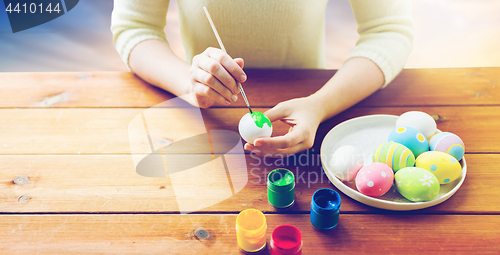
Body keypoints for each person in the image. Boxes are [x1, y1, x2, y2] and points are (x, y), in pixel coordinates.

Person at [111, 0, 413, 157]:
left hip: (312, 104)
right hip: (206, 124)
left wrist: (320, 105)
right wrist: (188, 82)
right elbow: (134, 27)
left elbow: (389, 30)